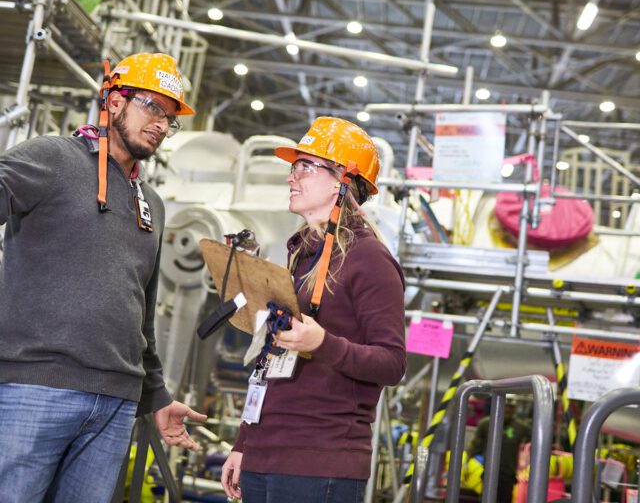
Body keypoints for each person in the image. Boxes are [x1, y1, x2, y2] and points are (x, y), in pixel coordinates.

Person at [0, 53, 207, 503]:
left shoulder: (150, 201)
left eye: (170, 118)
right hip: (36, 387)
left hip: (115, 404)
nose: (160, 124)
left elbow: (142, 311)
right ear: (114, 101)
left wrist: (155, 395)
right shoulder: (53, 158)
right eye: (152, 107)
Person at [221, 116, 407, 503]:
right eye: (294, 167)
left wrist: (323, 343)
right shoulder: (300, 258)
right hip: (264, 458)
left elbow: (392, 363)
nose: (292, 178)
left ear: (342, 177)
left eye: (305, 166)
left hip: (321, 466)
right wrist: (244, 442)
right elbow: (268, 361)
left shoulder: (369, 258)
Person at [466, 395, 530, 503]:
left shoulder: (521, 427)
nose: (507, 410)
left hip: (508, 475)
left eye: (511, 407)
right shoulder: (486, 424)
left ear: (514, 409)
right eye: (505, 406)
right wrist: (468, 464)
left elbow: (535, 440)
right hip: (488, 473)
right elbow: (475, 445)